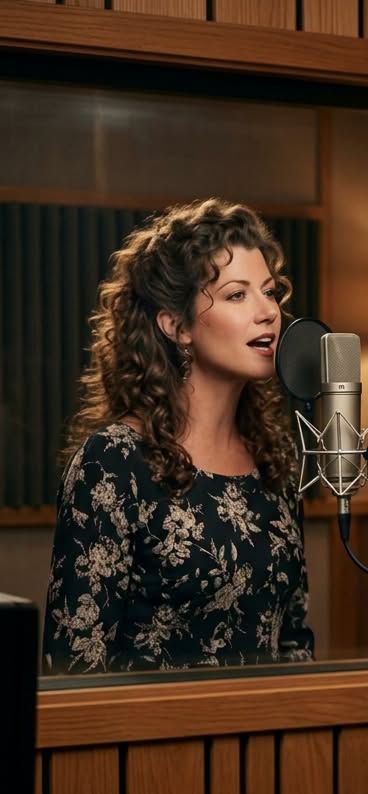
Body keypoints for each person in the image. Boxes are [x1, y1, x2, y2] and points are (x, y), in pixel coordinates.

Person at [43, 197, 314, 673]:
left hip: (267, 720)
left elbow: (294, 639)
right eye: (237, 295)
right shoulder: (113, 462)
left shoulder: (276, 459)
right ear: (177, 325)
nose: (268, 312)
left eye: (270, 292)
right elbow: (77, 664)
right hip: (153, 723)